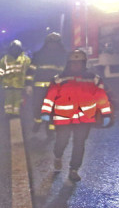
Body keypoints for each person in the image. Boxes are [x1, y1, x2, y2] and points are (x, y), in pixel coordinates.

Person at [40, 49, 113, 181]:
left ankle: (74, 170)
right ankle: (58, 156)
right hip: (63, 118)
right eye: (73, 63)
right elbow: (50, 96)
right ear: (68, 64)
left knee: (79, 144)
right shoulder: (59, 79)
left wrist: (106, 114)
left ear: (84, 63)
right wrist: (45, 112)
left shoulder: (94, 79)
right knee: (61, 142)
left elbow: (101, 97)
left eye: (79, 63)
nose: (76, 66)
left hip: (84, 119)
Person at [29, 32, 68, 134]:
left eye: (55, 43)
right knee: (37, 106)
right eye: (51, 43)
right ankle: (38, 122)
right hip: (39, 87)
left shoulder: (64, 56)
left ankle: (51, 129)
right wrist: (28, 85)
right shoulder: (38, 55)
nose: (52, 45)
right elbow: (30, 71)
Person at [0, 39, 32, 116]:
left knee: (12, 99)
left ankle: (11, 114)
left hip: (10, 83)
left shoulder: (5, 58)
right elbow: (0, 70)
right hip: (17, 83)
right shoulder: (25, 59)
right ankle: (13, 113)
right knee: (15, 99)